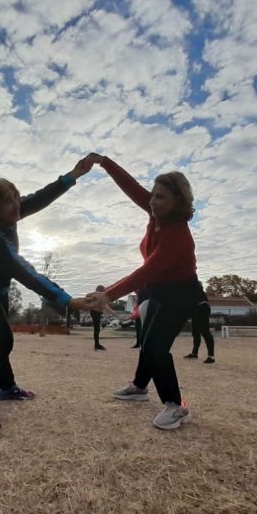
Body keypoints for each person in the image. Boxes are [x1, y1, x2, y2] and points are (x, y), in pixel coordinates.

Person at [0, 157, 93, 431]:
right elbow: (25, 271)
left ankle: (6, 387)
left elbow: (40, 198)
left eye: (16, 198)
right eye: (8, 201)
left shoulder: (8, 215)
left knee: (2, 340)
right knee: (2, 343)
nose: (17, 204)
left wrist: (73, 175)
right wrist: (68, 300)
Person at [84, 153, 201, 430]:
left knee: (154, 347)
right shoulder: (155, 213)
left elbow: (147, 271)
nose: (152, 200)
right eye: (153, 195)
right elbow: (132, 188)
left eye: (160, 197)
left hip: (181, 294)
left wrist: (108, 294)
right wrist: (105, 162)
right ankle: (139, 387)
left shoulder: (178, 235)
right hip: (158, 291)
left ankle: (176, 406)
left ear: (177, 202)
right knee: (148, 342)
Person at [185, 284, 215, 364]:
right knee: (195, 332)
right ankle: (194, 353)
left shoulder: (195, 286)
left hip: (202, 308)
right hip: (196, 309)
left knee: (205, 331)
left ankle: (211, 356)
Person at [91, 285, 106, 351]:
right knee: (97, 329)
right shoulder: (95, 296)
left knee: (97, 329)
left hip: (97, 313)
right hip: (95, 312)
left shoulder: (99, 296)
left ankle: (97, 344)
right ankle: (96, 345)